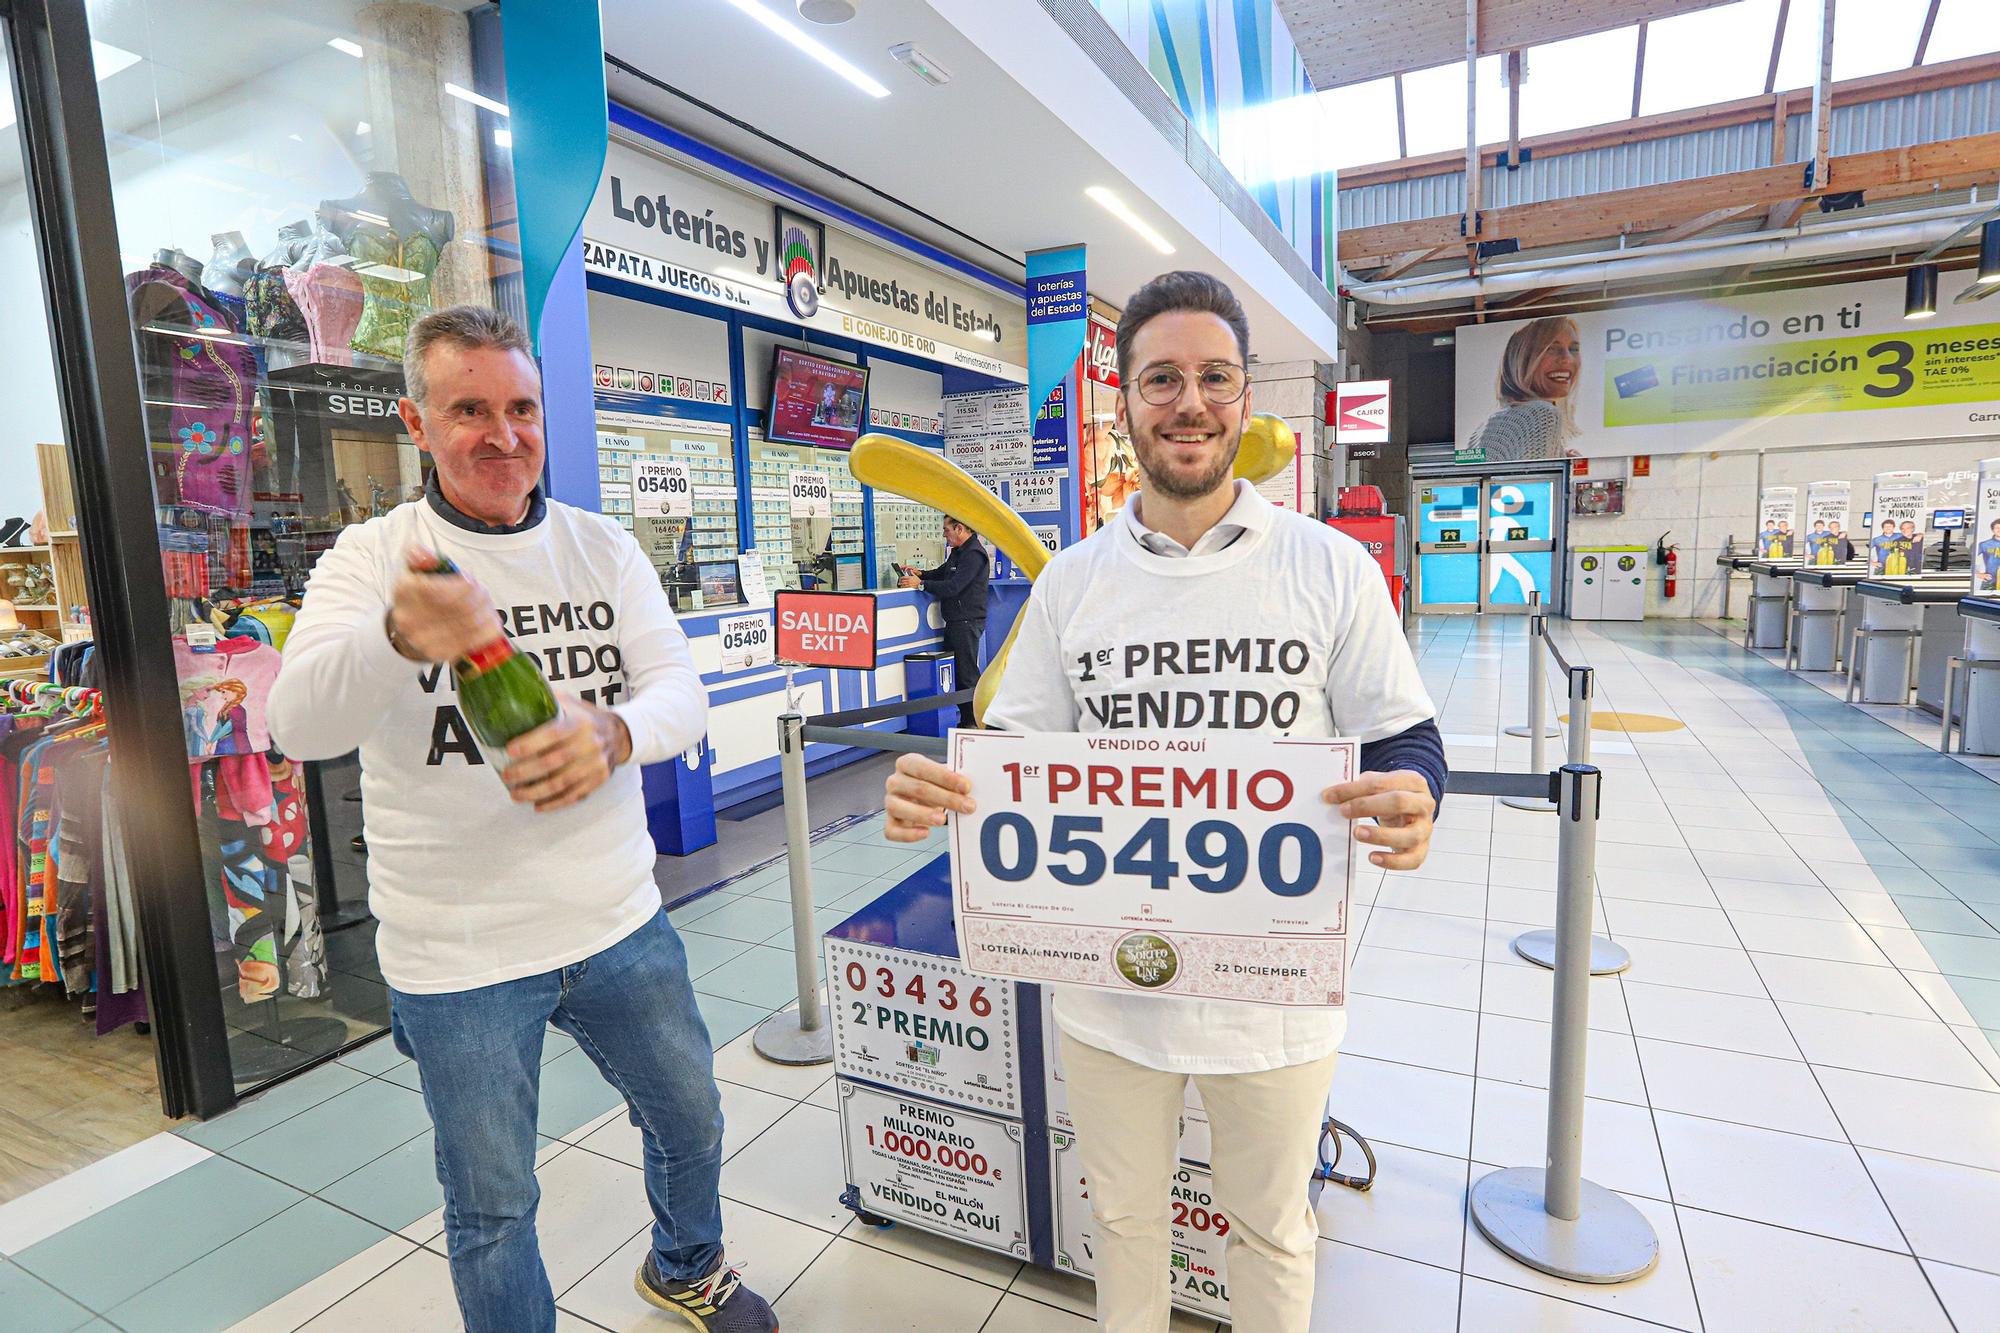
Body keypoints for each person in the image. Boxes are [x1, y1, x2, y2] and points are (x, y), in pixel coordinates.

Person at [882, 272, 1446, 1332]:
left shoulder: (1329, 567)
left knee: (1271, 1230)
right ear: (1124, 404)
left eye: (1213, 378)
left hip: (1273, 992)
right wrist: (939, 787)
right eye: (1160, 379)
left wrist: (1416, 789)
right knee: (1127, 1226)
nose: (1188, 402)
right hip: (1108, 993)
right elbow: (1015, 754)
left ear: (1245, 400)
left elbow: (1404, 731)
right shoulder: (1072, 583)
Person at [267, 306, 775, 1333]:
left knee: (691, 1117)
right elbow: (297, 723)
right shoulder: (373, 561)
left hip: (619, 923)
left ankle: (685, 1265)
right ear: (417, 421)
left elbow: (680, 691)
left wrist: (617, 733)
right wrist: (397, 637)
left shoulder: (602, 547)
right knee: (493, 1205)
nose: (502, 434)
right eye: (468, 410)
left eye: (520, 408)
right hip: (458, 957)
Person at [899, 515, 990, 727]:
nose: (944, 535)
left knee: (966, 674)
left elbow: (954, 586)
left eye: (946, 530)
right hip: (956, 621)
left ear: (960, 528)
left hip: (967, 621)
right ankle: (967, 718)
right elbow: (943, 573)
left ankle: (972, 721)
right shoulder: (959, 552)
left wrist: (921, 584)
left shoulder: (974, 555)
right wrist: (921, 573)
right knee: (958, 672)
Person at [1467, 315, 1579, 461]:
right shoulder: (1542, 413)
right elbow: (1537, 479)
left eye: (1574, 349)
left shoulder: (1484, 427)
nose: (1567, 358)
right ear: (1523, 358)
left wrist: (1560, 455)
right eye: (1551, 349)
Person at [1979, 518, 2000, 591]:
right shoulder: (1984, 545)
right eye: (1997, 528)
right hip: (1990, 582)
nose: (1999, 530)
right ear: (1993, 530)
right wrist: (1978, 574)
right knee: (1985, 602)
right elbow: (1972, 560)